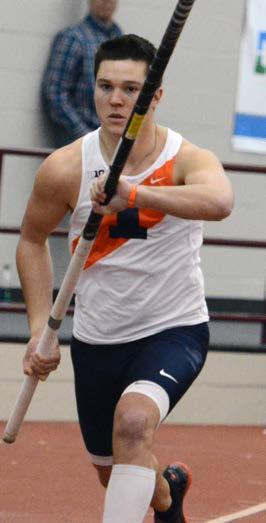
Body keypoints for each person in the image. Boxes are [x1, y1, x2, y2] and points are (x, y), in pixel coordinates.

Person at [19, 34, 234, 523]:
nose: (117, 100)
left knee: (134, 423)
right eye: (106, 86)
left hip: (173, 329)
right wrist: (38, 330)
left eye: (132, 89)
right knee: (116, 468)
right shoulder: (66, 167)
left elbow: (220, 202)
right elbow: (31, 241)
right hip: (97, 340)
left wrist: (136, 195)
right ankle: (168, 497)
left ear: (155, 96)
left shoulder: (184, 159)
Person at [41, 0, 122, 147]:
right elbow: (55, 94)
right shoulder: (73, 38)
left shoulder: (120, 40)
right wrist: (86, 135)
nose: (107, 2)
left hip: (112, 142)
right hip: (78, 143)